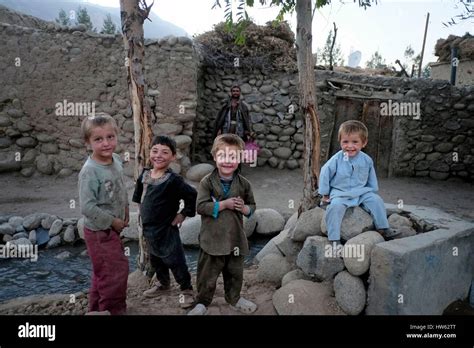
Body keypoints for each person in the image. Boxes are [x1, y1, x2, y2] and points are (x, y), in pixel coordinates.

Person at [188, 134, 257, 315]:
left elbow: (252, 207)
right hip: (212, 238)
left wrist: (245, 210)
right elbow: (201, 207)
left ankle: (234, 298)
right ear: (214, 157)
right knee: (207, 274)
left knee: (235, 272)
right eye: (223, 156)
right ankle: (202, 302)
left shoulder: (244, 184)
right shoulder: (207, 182)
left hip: (234, 238)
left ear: (240, 158)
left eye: (233, 157)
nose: (228, 161)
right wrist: (223, 205)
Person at [132, 135, 197, 308]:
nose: (158, 155)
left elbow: (192, 195)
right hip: (148, 228)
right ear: (149, 153)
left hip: (167, 228)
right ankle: (163, 284)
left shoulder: (174, 180)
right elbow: (139, 197)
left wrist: (183, 214)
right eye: (155, 151)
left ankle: (187, 289)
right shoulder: (144, 175)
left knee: (175, 259)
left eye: (165, 152)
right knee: (156, 258)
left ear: (173, 157)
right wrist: (142, 214)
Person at [78, 113, 129, 315]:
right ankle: (112, 310)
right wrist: (112, 221)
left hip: (111, 228)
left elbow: (120, 188)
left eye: (110, 137)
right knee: (115, 271)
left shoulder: (116, 160)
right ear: (87, 142)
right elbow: (87, 208)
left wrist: (125, 209)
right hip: (99, 232)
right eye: (98, 139)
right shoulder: (90, 172)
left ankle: (96, 310)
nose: (106, 143)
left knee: (104, 271)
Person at [319, 120, 400, 245]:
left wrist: (372, 190)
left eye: (355, 142)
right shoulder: (336, 159)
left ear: (364, 143)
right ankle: (334, 238)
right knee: (334, 208)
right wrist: (325, 194)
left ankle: (383, 228)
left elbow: (371, 176)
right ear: (340, 141)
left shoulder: (366, 160)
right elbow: (325, 174)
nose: (350, 146)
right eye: (345, 142)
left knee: (376, 200)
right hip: (341, 193)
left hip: (361, 192)